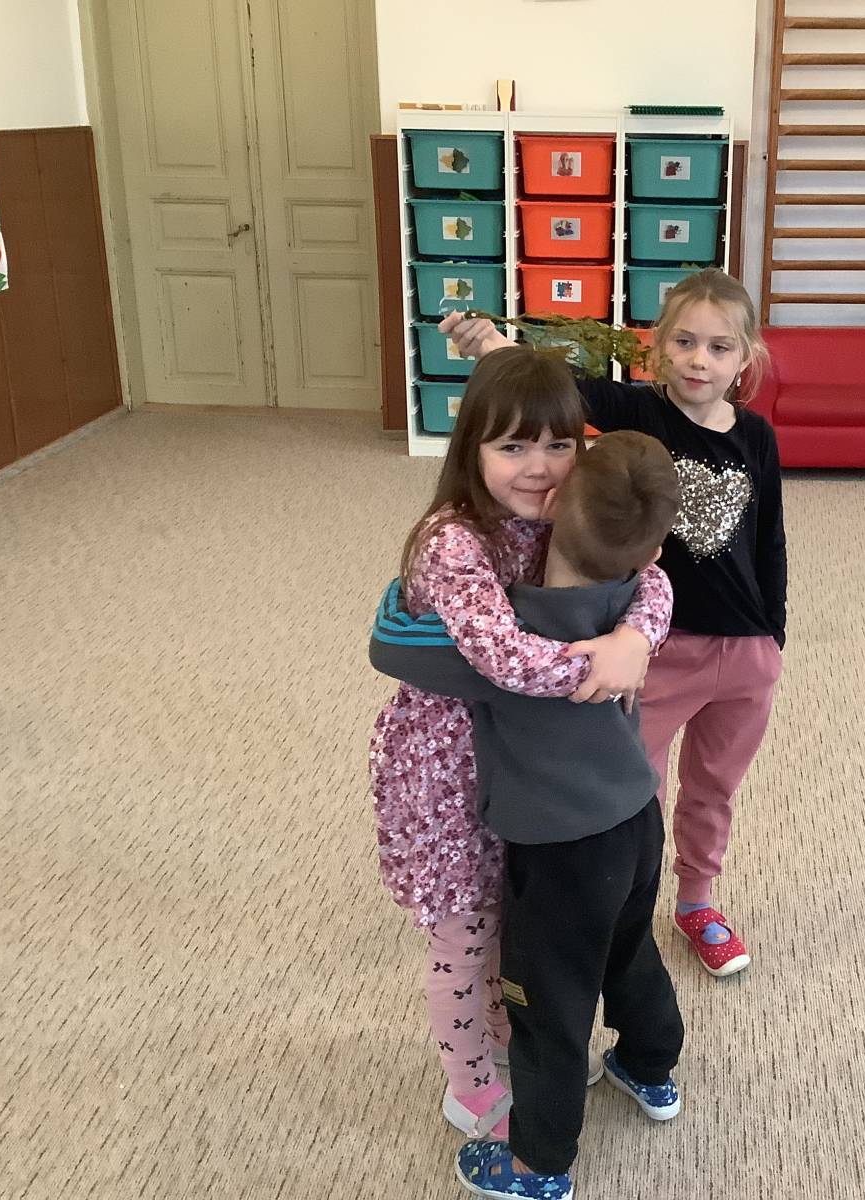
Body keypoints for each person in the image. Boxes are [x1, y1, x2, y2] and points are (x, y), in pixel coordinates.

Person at [440, 268, 785, 979]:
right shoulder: (640, 412)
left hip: (746, 655)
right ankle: (631, 907)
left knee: (714, 786)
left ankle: (697, 901)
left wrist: (774, 634)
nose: (698, 360)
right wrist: (492, 346)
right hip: (660, 649)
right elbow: (564, 389)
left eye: (719, 347)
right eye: (683, 342)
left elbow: (770, 537)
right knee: (634, 790)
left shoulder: (756, 435)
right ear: (657, 348)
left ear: (745, 359)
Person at [372, 431, 687, 1200]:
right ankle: (651, 1069)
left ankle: (538, 1163)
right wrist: (635, 638)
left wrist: (398, 595)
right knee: (629, 953)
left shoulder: (508, 630)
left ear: (554, 510)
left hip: (561, 850)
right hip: (636, 817)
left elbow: (391, 645)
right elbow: (661, 589)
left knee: (546, 1007)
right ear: (649, 549)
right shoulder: (633, 600)